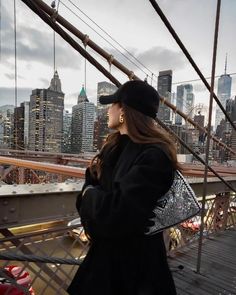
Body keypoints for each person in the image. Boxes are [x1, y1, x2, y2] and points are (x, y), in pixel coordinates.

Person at [68, 80, 178, 295]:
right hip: (104, 261)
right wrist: (94, 198)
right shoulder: (112, 148)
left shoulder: (155, 156)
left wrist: (90, 195)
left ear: (124, 112)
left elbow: (115, 214)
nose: (108, 109)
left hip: (137, 271)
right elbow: (91, 193)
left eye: (112, 104)